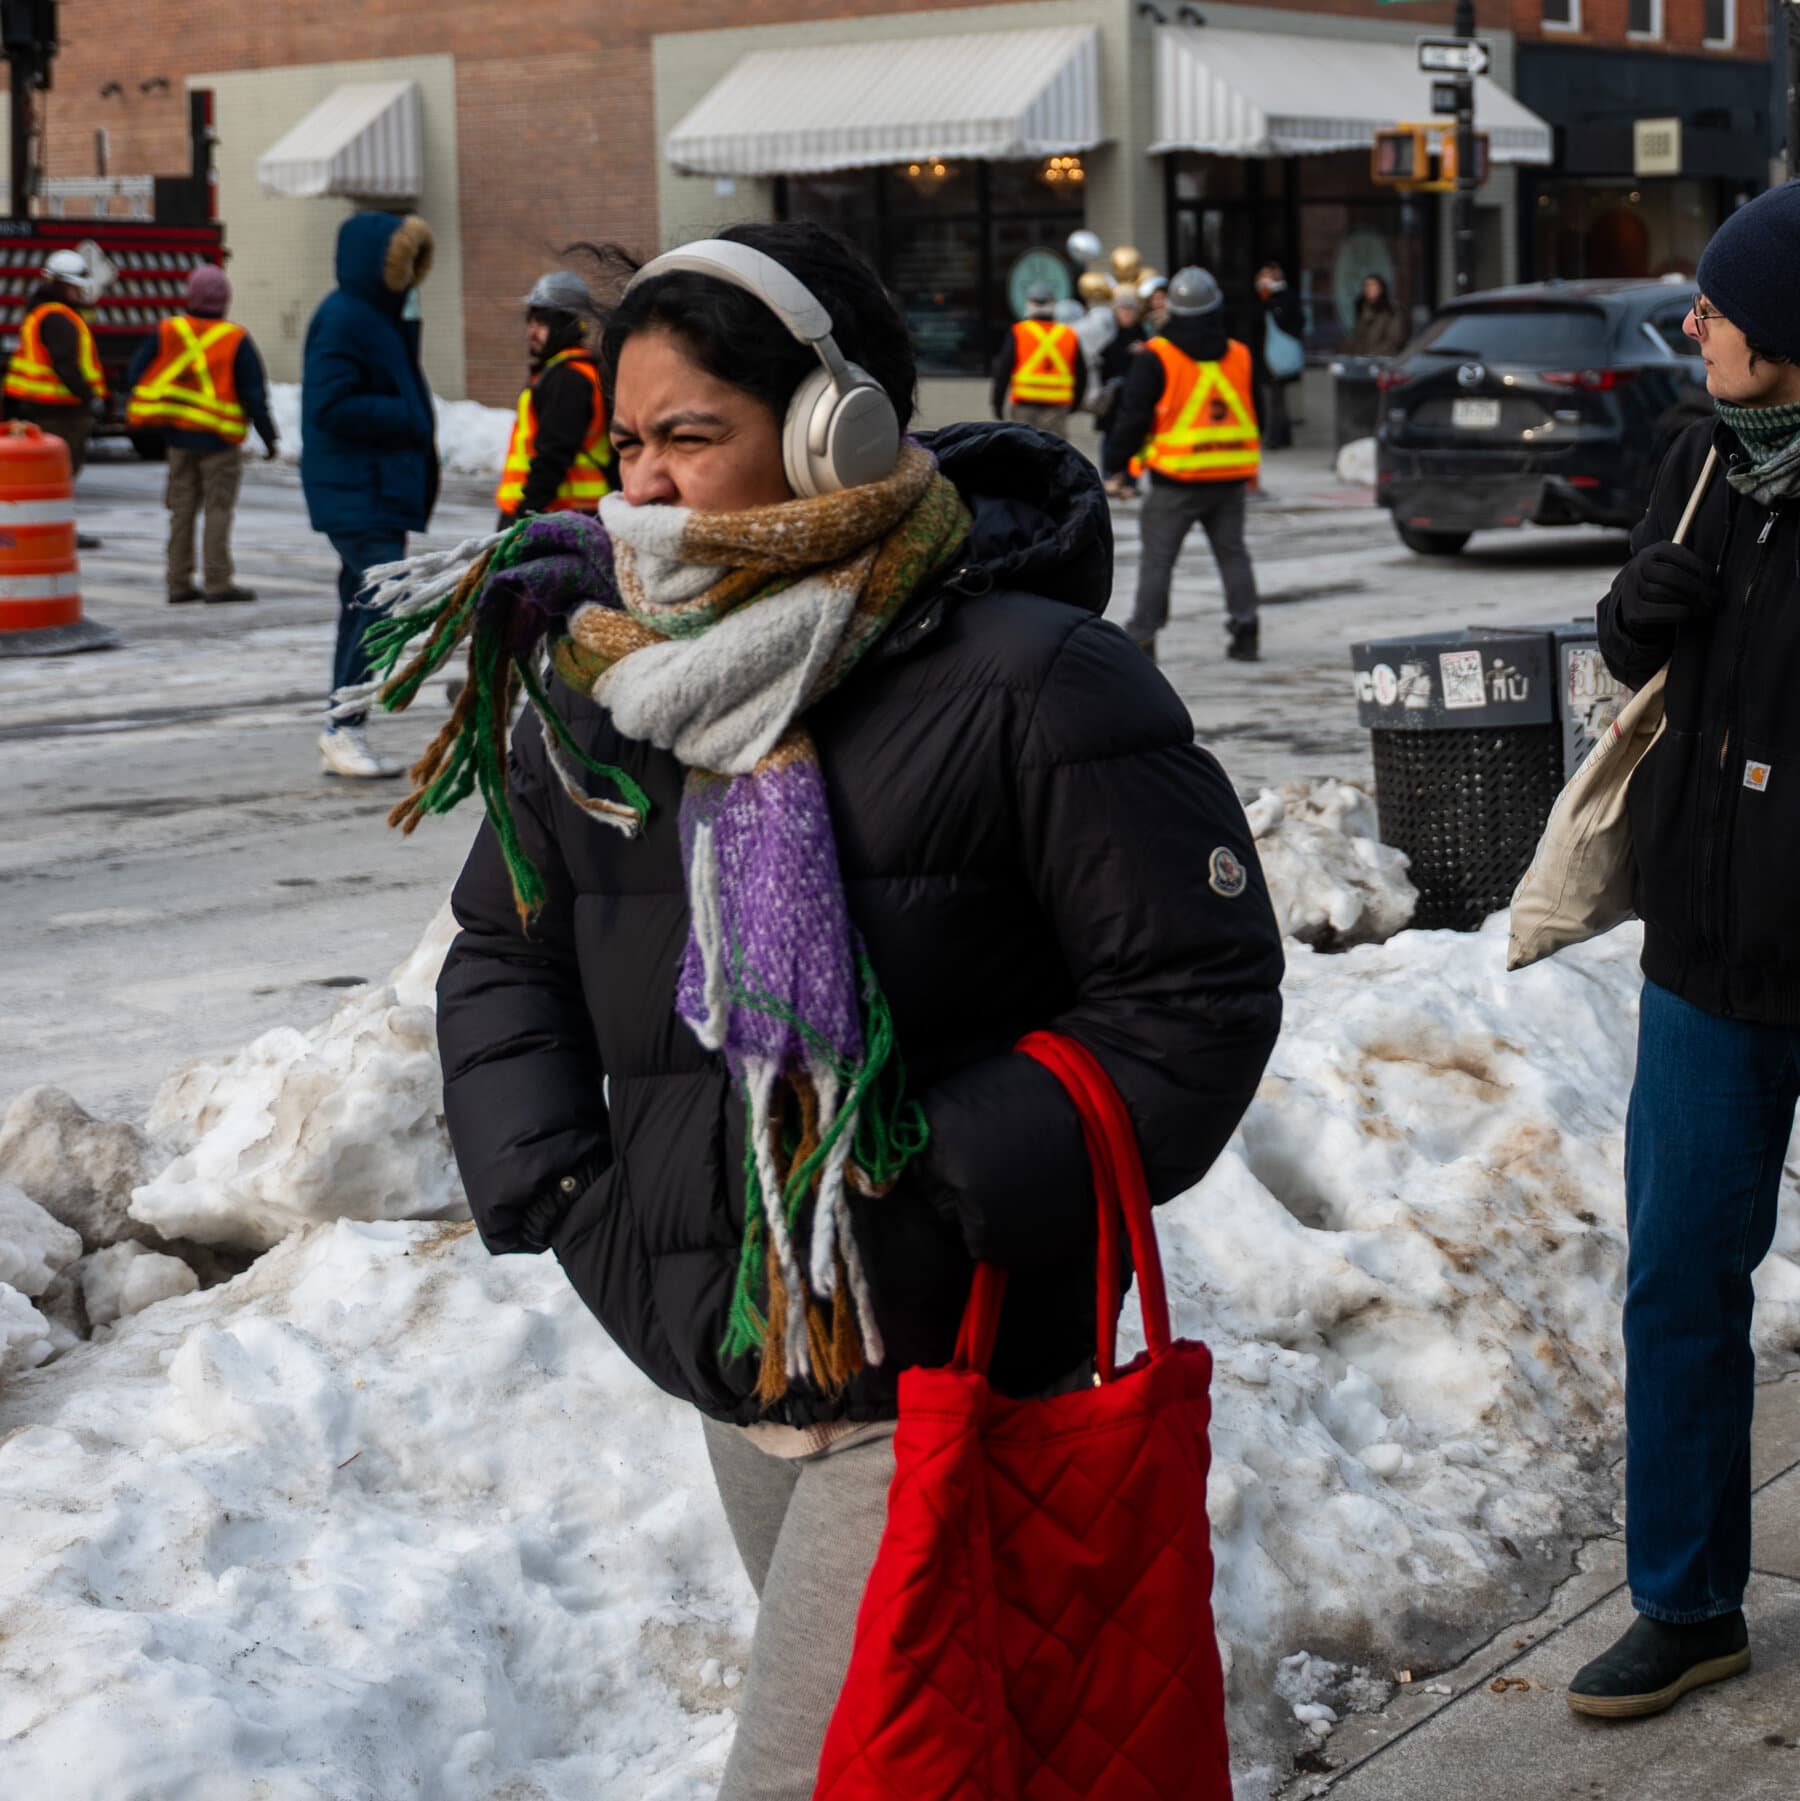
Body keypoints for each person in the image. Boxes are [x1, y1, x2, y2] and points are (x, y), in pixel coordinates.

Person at [404, 221, 1283, 1798]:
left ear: (835, 428)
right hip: (727, 1342)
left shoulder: (1032, 678)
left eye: (692, 437)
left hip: (950, 1348)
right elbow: (501, 946)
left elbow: (1193, 994)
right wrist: (558, 1186)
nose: (646, 486)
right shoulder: (601, 680)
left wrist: (934, 1174)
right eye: (629, 444)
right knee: (937, 1751)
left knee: (813, 1775)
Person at [1584, 182, 1800, 1721]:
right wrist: (1629, 617)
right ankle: (1688, 1601)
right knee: (1675, 1281)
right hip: (1706, 962)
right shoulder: (1702, 459)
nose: (1695, 326)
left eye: (1718, 310)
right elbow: (1630, 646)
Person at [301, 212, 438, 781]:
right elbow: (327, 405)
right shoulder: (344, 318)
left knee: (361, 604)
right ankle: (344, 726)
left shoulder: (377, 316)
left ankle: (343, 723)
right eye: (401, 264)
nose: (408, 278)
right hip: (356, 489)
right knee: (387, 600)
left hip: (374, 488)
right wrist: (405, 414)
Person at [1106, 264, 1262, 664]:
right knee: (1233, 554)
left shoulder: (1157, 356)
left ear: (1171, 310)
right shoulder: (1240, 355)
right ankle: (1246, 631)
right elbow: (1253, 408)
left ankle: (1143, 636)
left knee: (1158, 557)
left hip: (1177, 480)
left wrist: (1116, 465)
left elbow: (1132, 416)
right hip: (1229, 478)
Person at [124, 265, 279, 605]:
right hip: (220, 444)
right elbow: (254, 395)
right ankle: (217, 582)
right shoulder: (235, 339)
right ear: (224, 301)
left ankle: (178, 582)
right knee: (217, 511)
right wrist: (269, 437)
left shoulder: (167, 331)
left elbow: (136, 373)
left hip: (178, 439)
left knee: (181, 511)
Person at [5, 249, 107, 545]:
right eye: (76, 286)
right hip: (61, 412)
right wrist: (89, 397)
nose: (80, 292)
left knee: (45, 476)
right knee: (60, 475)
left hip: (41, 408)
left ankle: (43, 528)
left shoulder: (40, 313)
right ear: (64, 285)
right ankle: (54, 530)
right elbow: (65, 364)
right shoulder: (59, 319)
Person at [495, 270, 612, 526]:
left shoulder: (568, 379)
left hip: (557, 515)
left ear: (566, 325)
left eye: (542, 322)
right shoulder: (567, 372)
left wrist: (525, 513)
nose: (532, 331)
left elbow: (554, 453)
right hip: (567, 513)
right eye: (531, 320)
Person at [988, 281, 1087, 440]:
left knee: (1024, 453)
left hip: (1024, 407)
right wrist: (1075, 404)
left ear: (1029, 304)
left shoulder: (1019, 332)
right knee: (1053, 454)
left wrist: (997, 403)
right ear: (1053, 304)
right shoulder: (1068, 334)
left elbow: (1003, 370)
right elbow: (1082, 374)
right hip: (1056, 409)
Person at [1251, 262, 1305, 451]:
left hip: (1278, 354)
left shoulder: (1285, 296)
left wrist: (1272, 302)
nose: (1265, 279)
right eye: (1262, 275)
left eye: (1269, 275)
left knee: (1276, 397)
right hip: (1262, 354)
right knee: (1273, 396)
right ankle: (1281, 434)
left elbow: (1294, 322)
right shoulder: (1258, 298)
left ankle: (1275, 436)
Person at [1095, 288, 1145, 491]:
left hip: (1135, 398)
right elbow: (1103, 364)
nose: (1127, 314)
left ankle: (1131, 480)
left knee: (1136, 441)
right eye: (1123, 310)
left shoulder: (1142, 334)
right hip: (1113, 399)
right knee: (1109, 438)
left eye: (1131, 310)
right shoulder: (1108, 335)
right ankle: (1110, 477)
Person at [1347, 273, 1407, 359]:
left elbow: (1395, 339)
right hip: (1361, 359)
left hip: (1384, 359)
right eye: (1367, 285)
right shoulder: (1361, 308)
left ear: (1381, 288)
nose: (1369, 289)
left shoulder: (1391, 309)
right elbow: (1357, 338)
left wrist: (1371, 355)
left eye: (1373, 285)